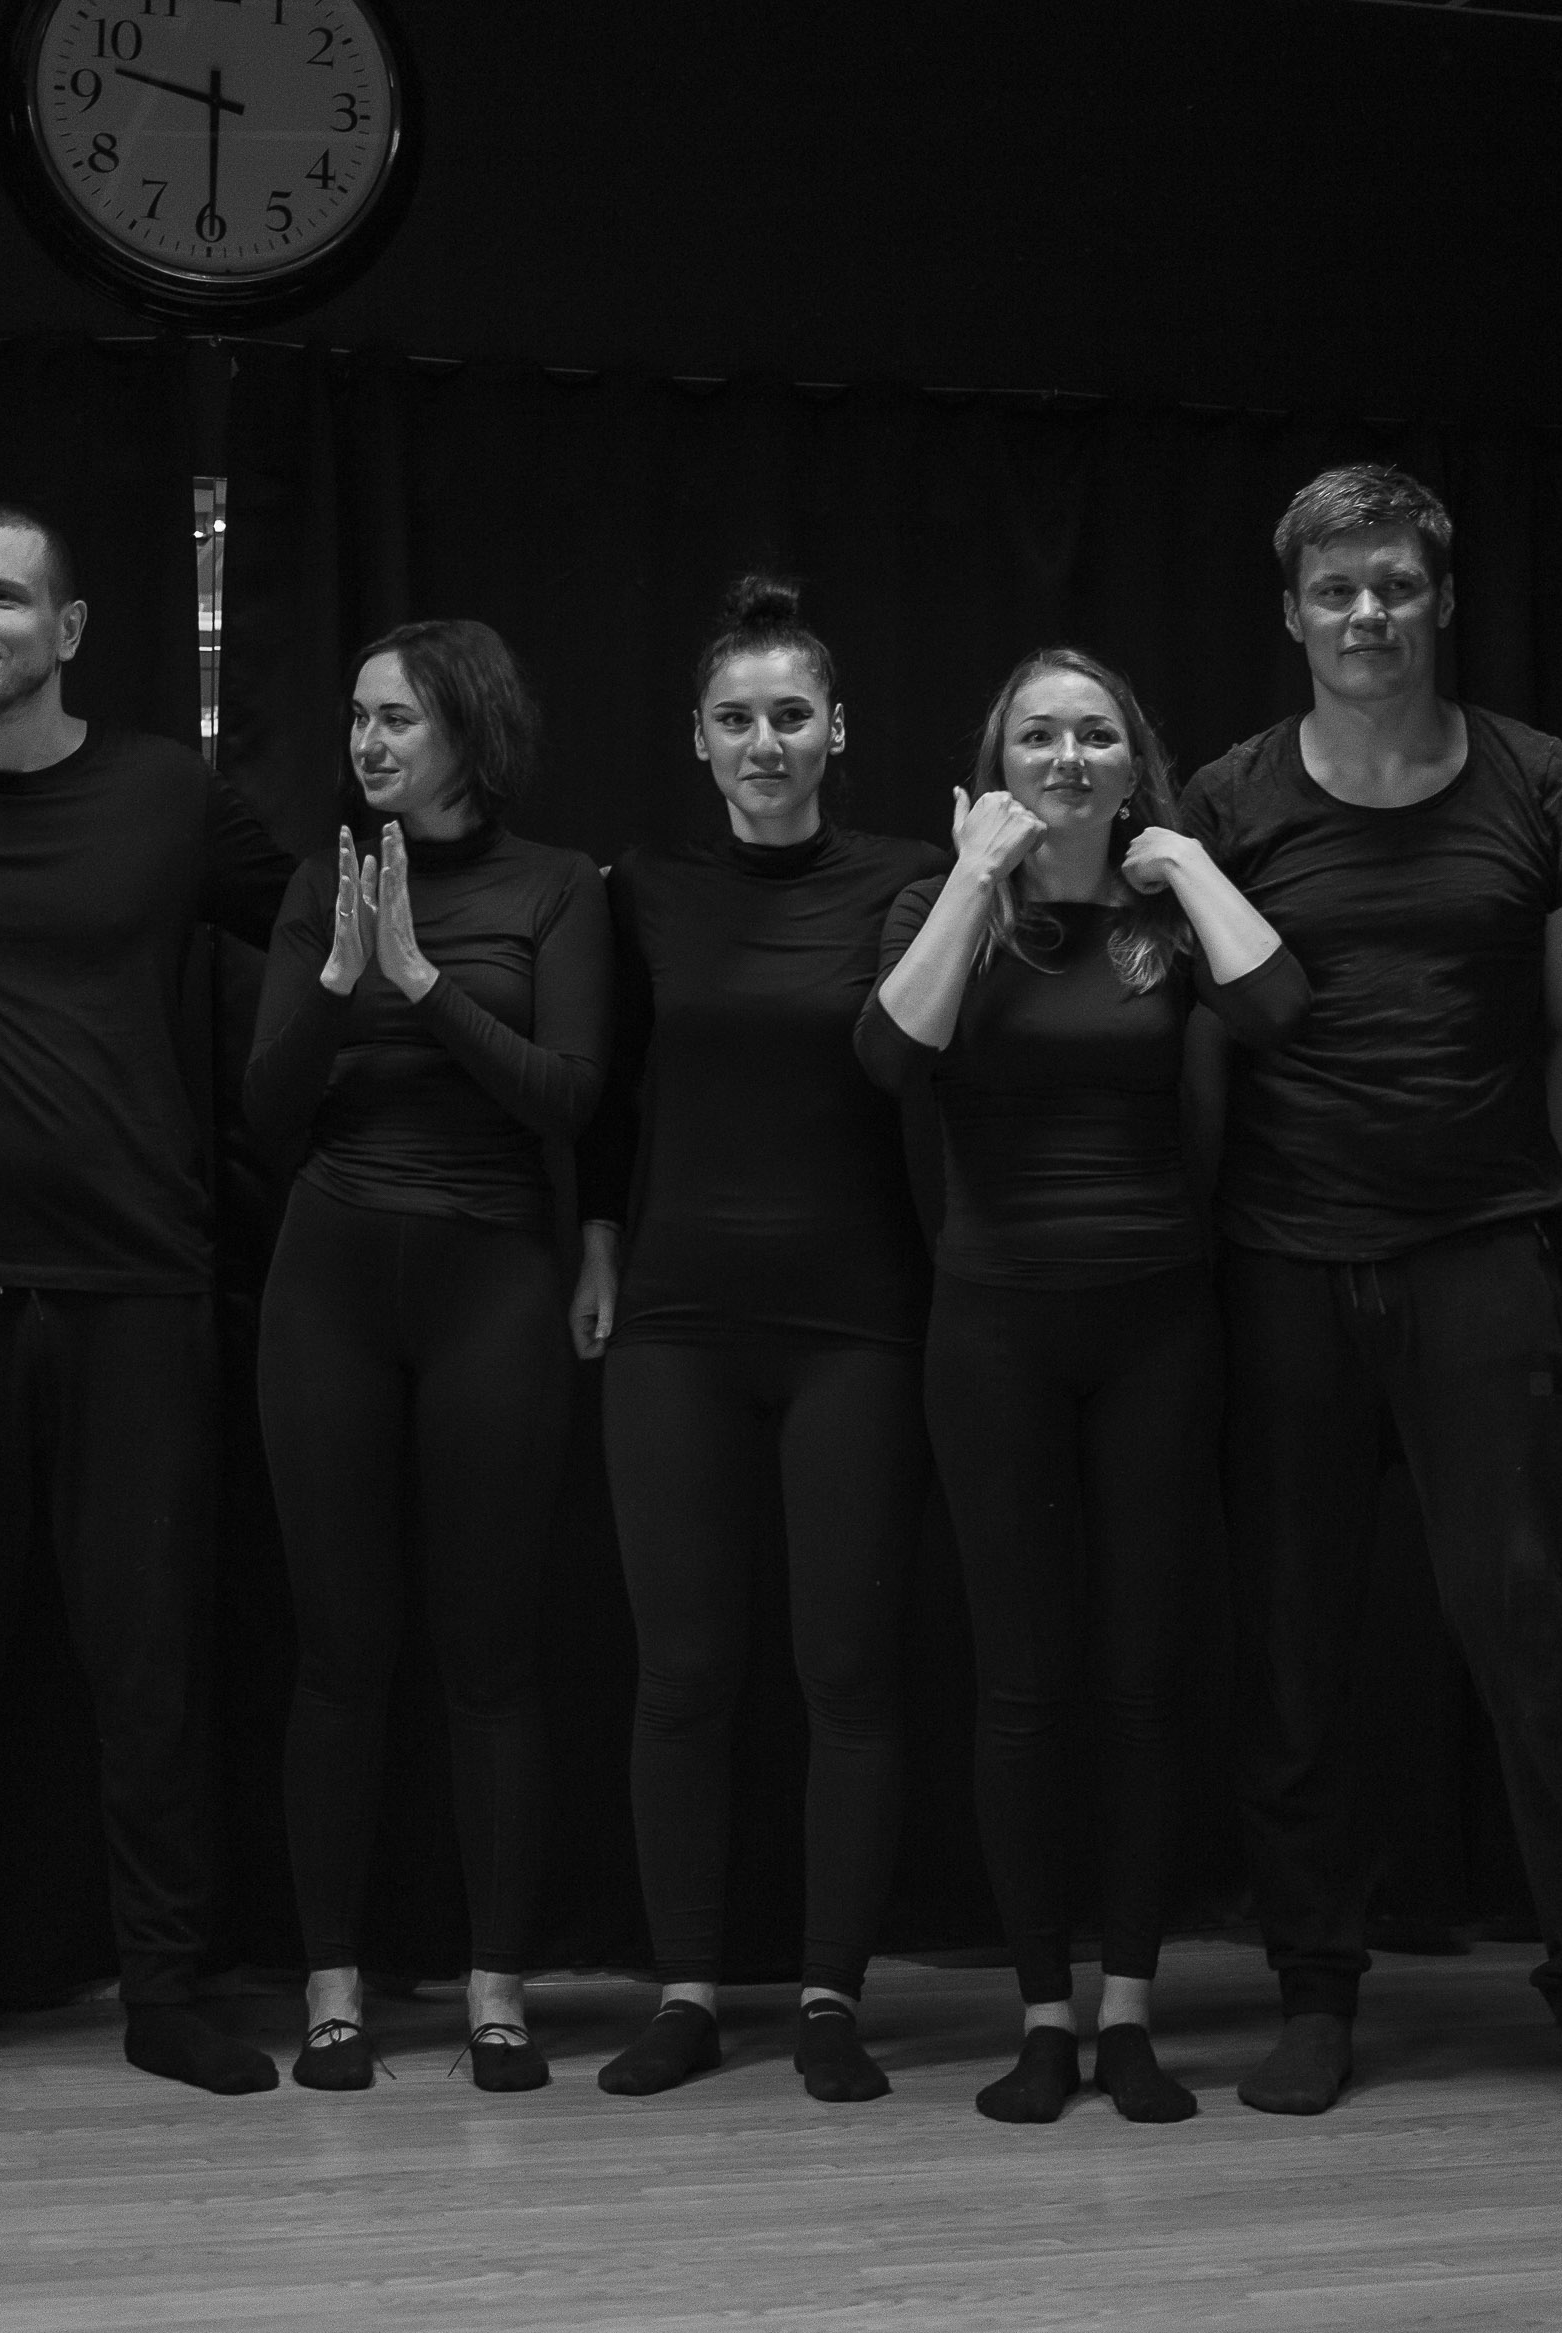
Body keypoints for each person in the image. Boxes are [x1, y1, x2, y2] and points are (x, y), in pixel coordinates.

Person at [1182, 463, 1562, 2126]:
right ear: (1294, 613)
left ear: (1442, 598)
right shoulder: (1231, 797)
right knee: (1294, 1640)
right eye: (1337, 590)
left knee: (1540, 1628)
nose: (1369, 613)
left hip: (1482, 1254)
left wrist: (1500, 1188)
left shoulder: (1543, 780)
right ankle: (1314, 1985)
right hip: (1285, 1259)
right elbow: (1200, 1047)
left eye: (1395, 583)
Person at [0, 503, 293, 2098]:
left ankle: (167, 1991)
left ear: (72, 627)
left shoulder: (168, 794)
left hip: (139, 1289)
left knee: (150, 1661)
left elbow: (325, 921)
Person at [856, 646, 1306, 2125]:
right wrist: (977, 878)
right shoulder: (948, 904)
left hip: (1156, 1328)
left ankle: (1129, 2014)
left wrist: (1184, 861)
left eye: (1095, 737)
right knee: (1022, 1681)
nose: (1066, 758)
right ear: (996, 764)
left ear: (1132, 764)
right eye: (1038, 736)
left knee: (1142, 1677)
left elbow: (1278, 1007)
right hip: (993, 1331)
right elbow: (890, 1051)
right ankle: (1043, 2012)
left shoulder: (1166, 914)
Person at [571, 577, 943, 2103]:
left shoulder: (913, 878)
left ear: (837, 729)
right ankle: (685, 1993)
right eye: (738, 718)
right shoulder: (644, 888)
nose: (766, 740)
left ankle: (831, 1996)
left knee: (847, 1671)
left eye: (793, 714)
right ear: (699, 738)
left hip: (858, 1320)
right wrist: (599, 1244)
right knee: (682, 1672)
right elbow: (607, 1090)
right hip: (676, 1321)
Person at [247, 619, 608, 2095]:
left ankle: (496, 1991)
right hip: (329, 1285)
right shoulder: (318, 882)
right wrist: (344, 978)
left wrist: (422, 979)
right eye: (357, 717)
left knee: (492, 1652)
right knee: (339, 1651)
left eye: (396, 718)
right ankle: (333, 1986)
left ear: (470, 730)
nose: (368, 742)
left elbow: (569, 1096)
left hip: (493, 1288)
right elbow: (264, 1119)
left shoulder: (557, 889)